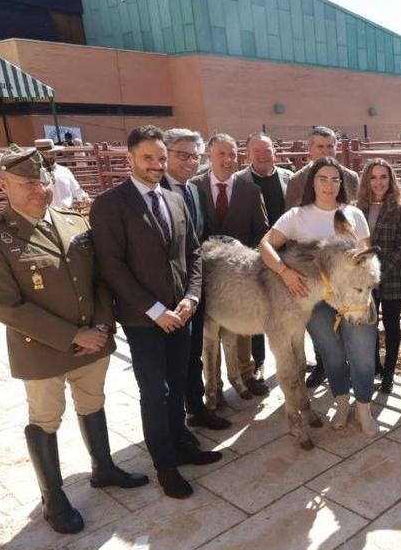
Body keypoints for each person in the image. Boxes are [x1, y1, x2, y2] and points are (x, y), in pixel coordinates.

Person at [0, 146, 147, 533]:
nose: (38, 189)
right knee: (46, 419)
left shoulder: (74, 222)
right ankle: (53, 497)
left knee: (93, 403)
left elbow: (99, 280)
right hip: (42, 350)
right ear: (4, 185)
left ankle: (103, 467)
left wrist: (101, 326)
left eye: (42, 181)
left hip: (93, 341)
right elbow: (6, 307)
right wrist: (74, 335)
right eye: (26, 183)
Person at [91, 125, 221, 500]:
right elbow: (112, 266)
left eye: (161, 158)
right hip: (143, 319)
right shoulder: (111, 204)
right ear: (130, 158)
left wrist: (191, 297)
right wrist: (154, 310)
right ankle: (165, 466)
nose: (156, 164)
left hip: (181, 313)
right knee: (155, 392)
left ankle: (182, 444)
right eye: (147, 157)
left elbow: (192, 252)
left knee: (178, 383)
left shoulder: (176, 198)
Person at [257, 157, 378, 435]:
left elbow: (366, 255)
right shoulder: (296, 216)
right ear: (312, 182)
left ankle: (364, 409)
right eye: (323, 179)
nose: (329, 185)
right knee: (332, 355)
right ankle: (342, 403)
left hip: (353, 297)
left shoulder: (353, 214)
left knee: (362, 354)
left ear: (341, 183)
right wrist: (284, 271)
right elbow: (265, 245)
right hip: (317, 300)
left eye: (335, 179)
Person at [189, 133, 271, 399]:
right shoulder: (193, 188)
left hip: (239, 277)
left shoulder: (250, 191)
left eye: (232, 154)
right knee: (209, 333)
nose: (227, 160)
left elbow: (262, 232)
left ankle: (244, 375)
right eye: (221, 154)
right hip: (204, 275)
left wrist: (247, 260)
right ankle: (213, 386)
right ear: (209, 155)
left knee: (240, 330)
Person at [162, 128, 229, 432]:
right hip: (163, 295)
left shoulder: (195, 192)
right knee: (169, 365)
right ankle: (173, 426)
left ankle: (196, 409)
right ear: (165, 155)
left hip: (194, 288)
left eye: (194, 156)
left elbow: (201, 239)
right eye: (182, 155)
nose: (189, 162)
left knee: (193, 355)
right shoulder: (154, 193)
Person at [284, 126, 360, 389]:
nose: (326, 151)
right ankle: (323, 363)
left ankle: (349, 365)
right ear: (310, 149)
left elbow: (356, 219)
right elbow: (290, 227)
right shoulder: (297, 180)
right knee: (317, 320)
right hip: (312, 268)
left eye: (330, 146)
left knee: (347, 316)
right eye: (320, 146)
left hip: (344, 265)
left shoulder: (350, 177)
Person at [356, 158, 401, 394]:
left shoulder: (400, 208)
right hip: (364, 279)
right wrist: (367, 276)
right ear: (366, 181)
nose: (378, 182)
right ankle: (374, 366)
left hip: (391, 276)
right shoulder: (357, 208)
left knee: (392, 324)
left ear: (391, 180)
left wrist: (378, 275)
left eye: (383, 177)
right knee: (370, 323)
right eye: (373, 177)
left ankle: (389, 374)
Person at [243, 133, 293, 384]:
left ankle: (294, 355)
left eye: (267, 150)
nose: (263, 155)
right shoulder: (240, 181)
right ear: (248, 154)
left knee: (294, 306)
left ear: (275, 151)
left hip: (288, 255)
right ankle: (259, 362)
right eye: (257, 151)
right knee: (259, 307)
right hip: (255, 255)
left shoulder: (289, 177)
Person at [35, 139, 87, 209]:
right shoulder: (34, 175)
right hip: (47, 213)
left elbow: (76, 190)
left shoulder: (64, 171)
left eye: (52, 153)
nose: (50, 156)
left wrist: (84, 198)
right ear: (39, 155)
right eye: (46, 153)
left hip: (66, 212)